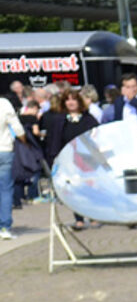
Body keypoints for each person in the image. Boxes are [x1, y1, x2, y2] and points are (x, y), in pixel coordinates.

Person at [44, 90, 98, 231]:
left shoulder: (88, 119)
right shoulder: (59, 120)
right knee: (75, 189)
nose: (71, 102)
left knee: (90, 188)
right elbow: (53, 141)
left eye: (73, 99)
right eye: (67, 100)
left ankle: (93, 216)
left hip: (86, 159)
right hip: (68, 160)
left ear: (79, 102)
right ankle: (79, 219)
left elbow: (97, 137)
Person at [0, 93, 20, 240]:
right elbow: (17, 128)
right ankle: (5, 227)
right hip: (4, 149)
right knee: (5, 190)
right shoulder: (4, 103)